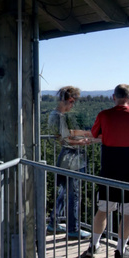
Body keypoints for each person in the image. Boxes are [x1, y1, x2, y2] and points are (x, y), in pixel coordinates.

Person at [88, 83, 129, 258]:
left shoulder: (103, 115)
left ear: (113, 97)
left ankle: (93, 246)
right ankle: (120, 250)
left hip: (109, 169)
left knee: (103, 209)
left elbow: (94, 134)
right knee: (128, 213)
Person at [47, 86, 90, 236]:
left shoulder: (56, 115)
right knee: (74, 194)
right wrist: (84, 142)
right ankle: (73, 229)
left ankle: (53, 223)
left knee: (64, 192)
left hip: (65, 159)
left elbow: (64, 135)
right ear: (69, 100)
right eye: (72, 102)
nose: (73, 106)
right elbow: (65, 140)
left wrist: (82, 135)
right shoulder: (59, 116)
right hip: (71, 159)